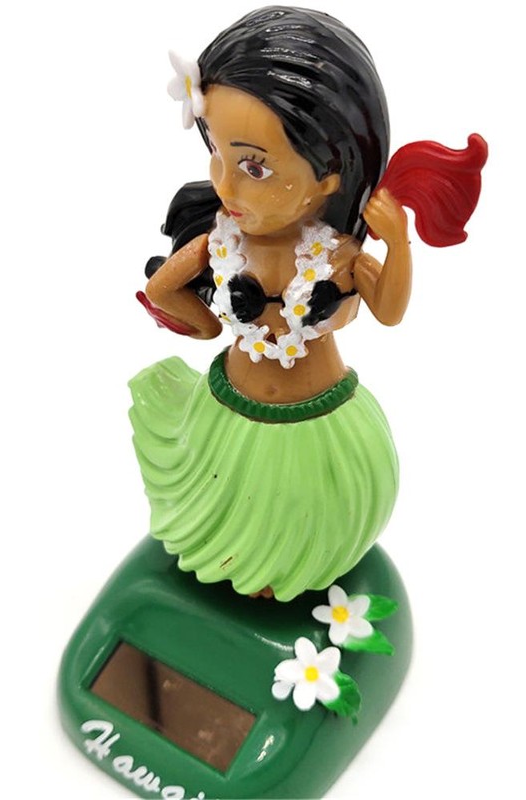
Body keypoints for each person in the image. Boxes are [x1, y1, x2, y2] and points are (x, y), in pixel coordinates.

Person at [131, 6, 486, 601]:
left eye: (254, 166)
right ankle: (240, 567)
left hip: (318, 421)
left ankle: (293, 572)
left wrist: (398, 243)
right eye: (216, 152)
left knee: (311, 510)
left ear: (328, 175)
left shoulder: (336, 257)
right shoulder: (221, 244)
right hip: (228, 417)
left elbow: (390, 310)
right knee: (229, 503)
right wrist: (196, 314)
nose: (225, 184)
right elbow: (167, 293)